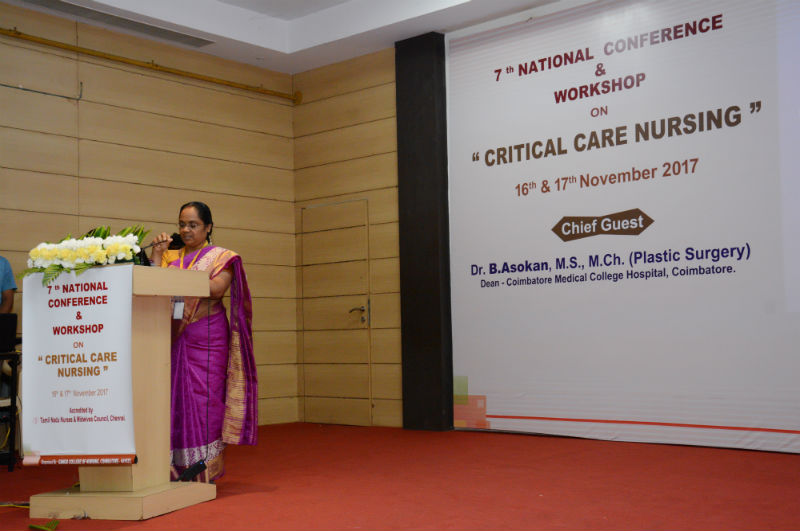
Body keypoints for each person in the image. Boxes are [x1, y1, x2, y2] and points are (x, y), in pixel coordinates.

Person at [150, 201, 257, 482]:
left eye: (193, 225)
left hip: (208, 337)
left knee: (205, 400)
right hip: (174, 334)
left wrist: (173, 274)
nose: (186, 230)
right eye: (182, 224)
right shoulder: (170, 255)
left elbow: (216, 289)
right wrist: (156, 256)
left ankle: (205, 467)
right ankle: (174, 466)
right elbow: (152, 286)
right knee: (174, 399)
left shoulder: (222, 257)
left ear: (208, 227)